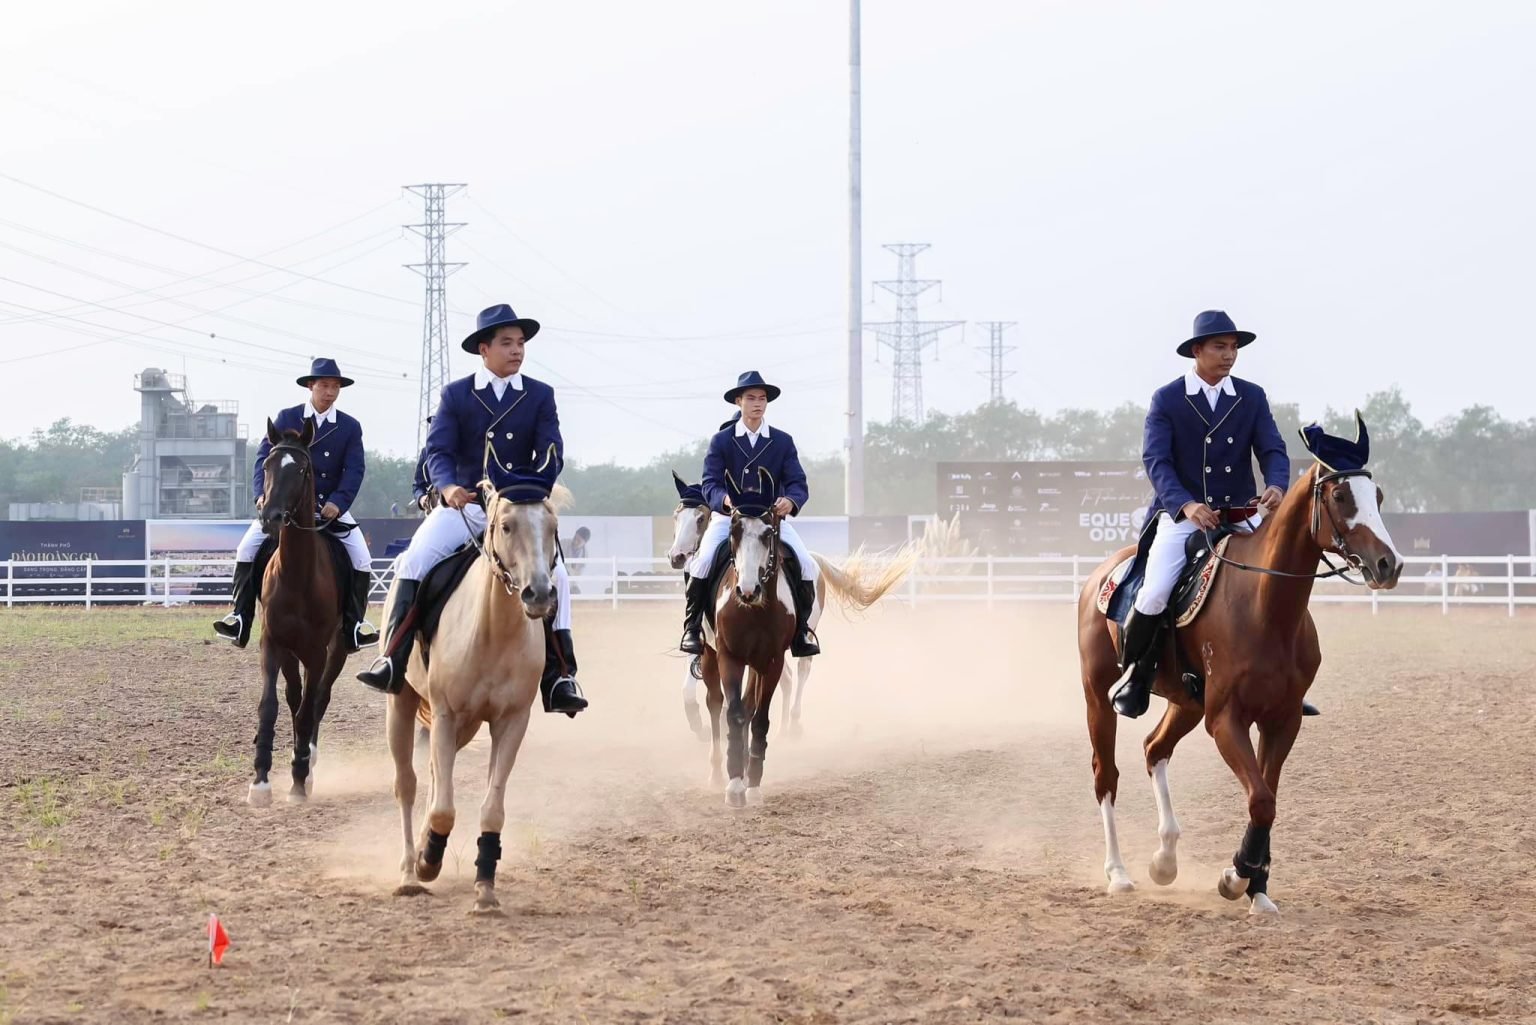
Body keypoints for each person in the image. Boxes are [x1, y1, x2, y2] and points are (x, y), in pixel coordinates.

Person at [356, 304, 589, 716]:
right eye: (507, 343)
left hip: (517, 510)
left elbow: (553, 452)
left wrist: (532, 488)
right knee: (412, 562)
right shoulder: (457, 394)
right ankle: (392, 657)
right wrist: (446, 487)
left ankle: (559, 675)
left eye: (520, 343)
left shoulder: (539, 395)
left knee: (560, 579)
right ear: (484, 349)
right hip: (465, 507)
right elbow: (439, 451)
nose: (517, 351)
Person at [1111, 310, 1289, 719]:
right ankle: (1137, 676)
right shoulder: (1168, 398)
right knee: (1155, 592)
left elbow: (1272, 449)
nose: (1229, 356)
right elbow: (1156, 460)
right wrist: (1187, 504)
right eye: (1220, 347)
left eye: (1233, 348)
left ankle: (1286, 678)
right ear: (1197, 351)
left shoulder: (1251, 396)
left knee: (1278, 580)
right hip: (1184, 516)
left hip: (1241, 512)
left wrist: (1277, 484)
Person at [213, 358, 379, 652]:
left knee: (362, 558)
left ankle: (354, 625)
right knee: (246, 548)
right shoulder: (286, 417)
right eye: (325, 385)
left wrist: (338, 503)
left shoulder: (349, 427)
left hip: (329, 508)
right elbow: (263, 460)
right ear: (310, 385)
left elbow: (354, 470)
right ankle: (240, 618)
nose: (330, 392)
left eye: (335, 387)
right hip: (283, 505)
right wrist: (260, 497)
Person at [679, 371, 820, 658]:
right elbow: (710, 483)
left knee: (806, 563)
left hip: (770, 519)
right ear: (739, 402)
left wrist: (790, 501)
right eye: (752, 398)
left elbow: (797, 482)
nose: (758, 403)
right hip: (730, 518)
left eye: (763, 398)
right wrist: (724, 500)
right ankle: (693, 627)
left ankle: (802, 631)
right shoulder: (722, 440)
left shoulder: (782, 441)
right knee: (702, 560)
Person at [410, 416, 437, 514]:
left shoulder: (463, 452)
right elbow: (417, 486)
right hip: (434, 511)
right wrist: (421, 498)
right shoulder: (426, 453)